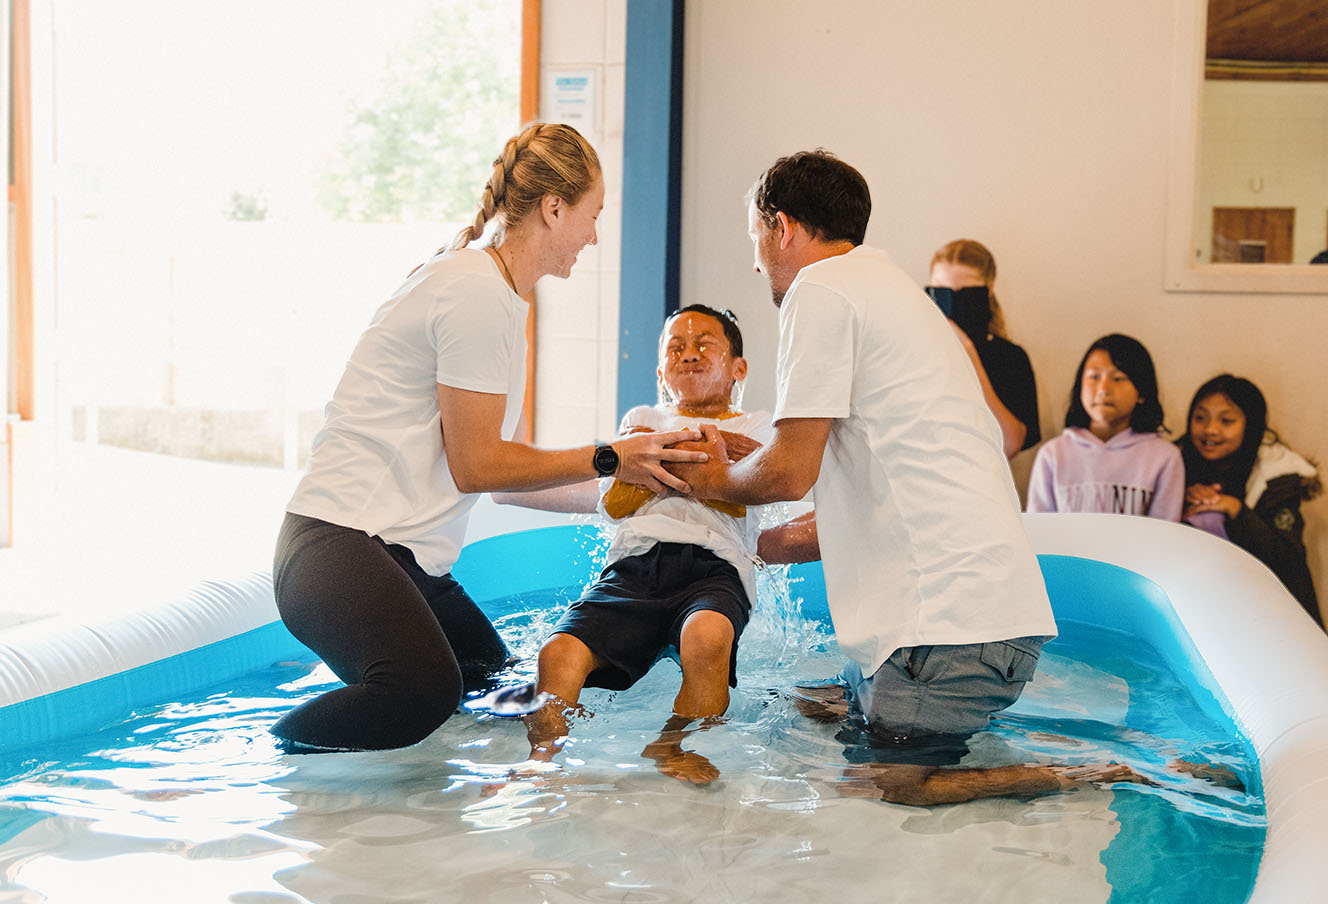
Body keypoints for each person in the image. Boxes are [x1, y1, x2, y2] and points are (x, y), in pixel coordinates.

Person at [670, 150, 1145, 804]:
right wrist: (752, 544)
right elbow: (880, 498)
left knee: (884, 786)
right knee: (799, 707)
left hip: (941, 636)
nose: (755, 261)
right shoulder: (902, 299)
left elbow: (786, 471)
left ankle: (1109, 774)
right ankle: (1090, 756)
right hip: (991, 627)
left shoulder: (820, 290)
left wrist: (702, 487)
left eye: (755, 238)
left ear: (781, 227)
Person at [271, 123, 708, 752]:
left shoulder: (498, 297)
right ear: (554, 209)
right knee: (421, 693)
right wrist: (613, 455)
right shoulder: (473, 289)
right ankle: (261, 761)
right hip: (337, 544)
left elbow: (508, 479)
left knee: (497, 689)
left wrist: (645, 491)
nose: (592, 236)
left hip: (396, 557)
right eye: (592, 216)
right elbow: (477, 466)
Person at [502, 305, 773, 784]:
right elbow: (620, 502)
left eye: (704, 344)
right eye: (675, 347)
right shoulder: (642, 416)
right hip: (634, 566)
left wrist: (658, 456)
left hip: (715, 567)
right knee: (558, 653)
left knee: (707, 638)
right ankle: (541, 758)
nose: (688, 354)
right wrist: (709, 454)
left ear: (738, 368)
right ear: (661, 372)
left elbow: (735, 498)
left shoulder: (759, 426)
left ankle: (674, 744)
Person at [1178, 374, 1322, 626]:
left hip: (1269, 616)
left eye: (1226, 420)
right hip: (1201, 609)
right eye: (1200, 417)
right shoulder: (1175, 463)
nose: (1210, 429)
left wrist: (1236, 510)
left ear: (1251, 425)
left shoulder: (1276, 479)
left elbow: (1289, 561)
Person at [1026, 334, 1184, 520]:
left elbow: (1164, 533)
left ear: (1142, 393)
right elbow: (1039, 528)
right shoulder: (1053, 454)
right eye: (1094, 376)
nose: (1103, 389)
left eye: (1118, 378)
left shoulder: (1164, 457)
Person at [926, 239, 1040, 458]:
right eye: (941, 292)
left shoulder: (1010, 359)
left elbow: (1010, 444)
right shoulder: (912, 350)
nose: (952, 303)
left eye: (965, 294)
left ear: (987, 292)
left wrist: (968, 354)